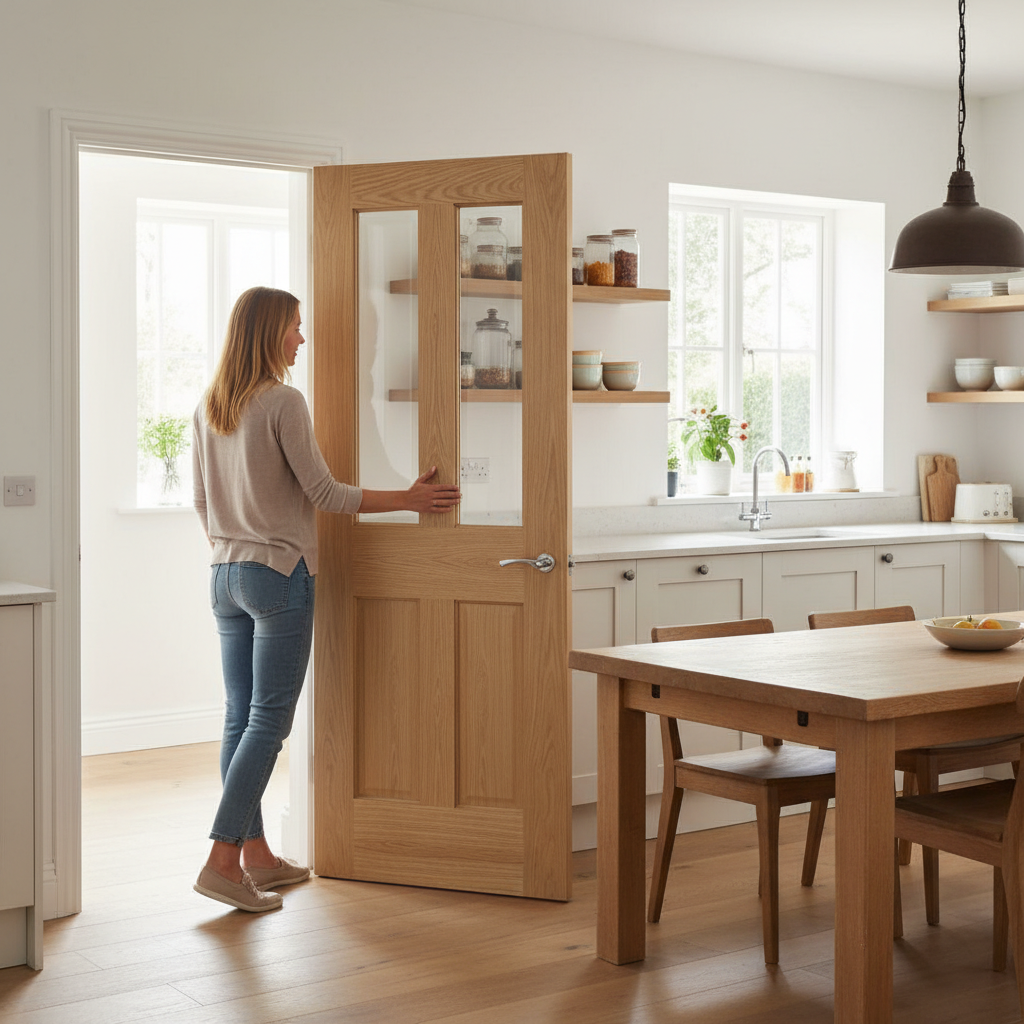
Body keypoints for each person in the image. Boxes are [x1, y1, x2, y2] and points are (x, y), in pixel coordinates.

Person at [191, 285, 460, 912]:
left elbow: (200, 502)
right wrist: (408, 499)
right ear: (268, 333)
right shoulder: (283, 401)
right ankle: (222, 861)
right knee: (268, 721)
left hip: (224, 575)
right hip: (279, 575)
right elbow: (326, 493)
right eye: (294, 326)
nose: (302, 338)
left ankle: (256, 854)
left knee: (239, 717)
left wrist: (233, 546)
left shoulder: (209, 405)